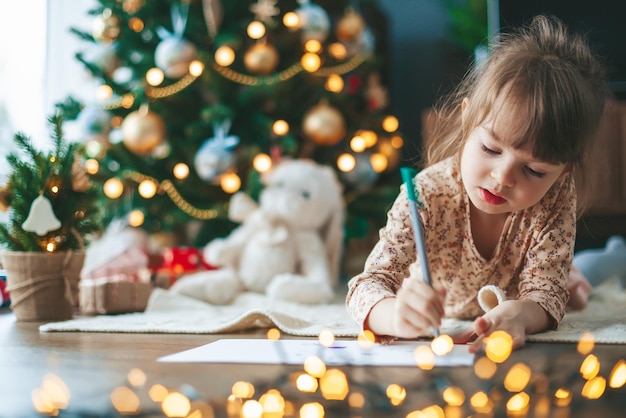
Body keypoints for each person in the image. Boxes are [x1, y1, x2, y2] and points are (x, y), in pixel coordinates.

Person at [346, 15, 608, 351]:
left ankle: (611, 253)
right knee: (572, 281)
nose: (502, 178)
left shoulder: (556, 197)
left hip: (524, 284)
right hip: (458, 301)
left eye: (534, 171)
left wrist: (522, 313)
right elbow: (367, 285)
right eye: (490, 148)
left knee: (580, 287)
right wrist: (394, 316)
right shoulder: (425, 194)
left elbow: (545, 294)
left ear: (565, 172)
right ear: (467, 119)